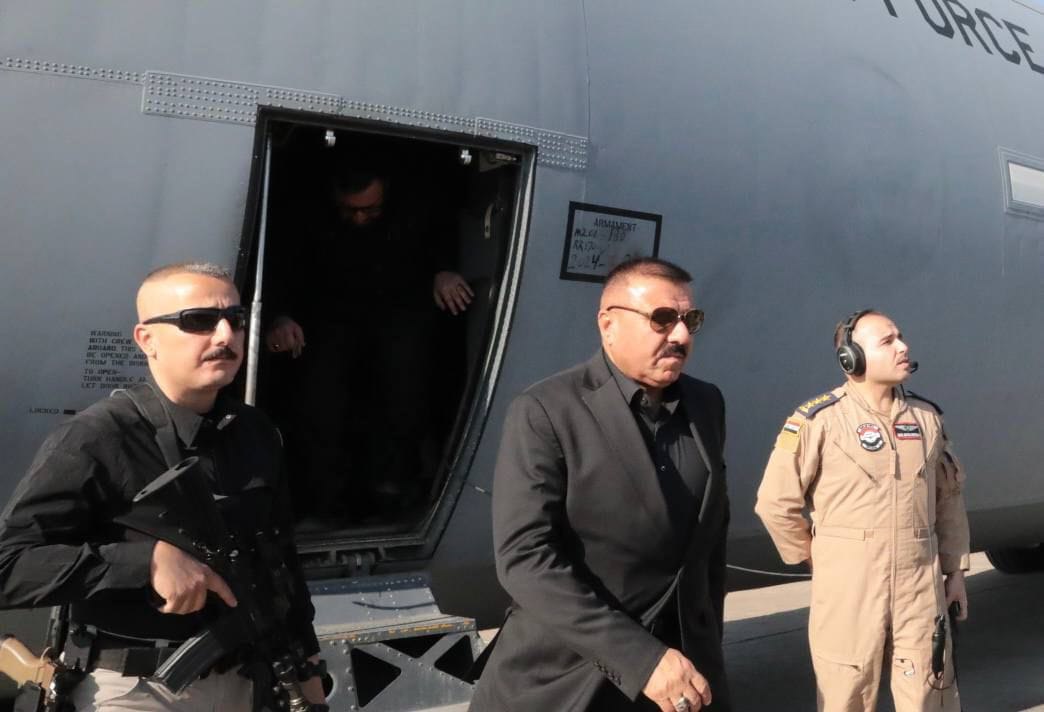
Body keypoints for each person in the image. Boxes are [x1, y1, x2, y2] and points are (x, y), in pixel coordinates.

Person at [0, 263, 326, 711]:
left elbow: (280, 558)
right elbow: (9, 565)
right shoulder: (98, 437)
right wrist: (145, 563)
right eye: (199, 321)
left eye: (235, 319)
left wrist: (309, 666)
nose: (225, 335)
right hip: (137, 689)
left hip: (247, 679)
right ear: (146, 339)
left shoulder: (256, 433)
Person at [470, 257, 731, 712]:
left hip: (683, 679)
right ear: (608, 325)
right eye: (662, 319)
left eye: (690, 320)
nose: (681, 335)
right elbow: (525, 559)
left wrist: (706, 643)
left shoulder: (706, 403)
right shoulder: (546, 411)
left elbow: (709, 541)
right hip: (569, 677)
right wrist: (642, 659)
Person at [755, 309, 969, 712]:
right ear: (850, 358)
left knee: (931, 692)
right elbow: (775, 503)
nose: (903, 346)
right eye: (888, 341)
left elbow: (948, 499)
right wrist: (817, 558)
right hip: (849, 591)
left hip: (919, 587)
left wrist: (955, 572)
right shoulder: (819, 420)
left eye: (900, 337)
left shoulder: (926, 418)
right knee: (846, 696)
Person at [264, 167, 471, 523]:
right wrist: (279, 316)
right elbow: (284, 265)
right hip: (328, 316)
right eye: (350, 210)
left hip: (400, 310)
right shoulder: (307, 215)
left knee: (403, 397)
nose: (360, 218)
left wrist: (445, 270)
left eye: (370, 210)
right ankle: (323, 504)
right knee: (321, 406)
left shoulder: (418, 206)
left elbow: (439, 235)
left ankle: (392, 493)